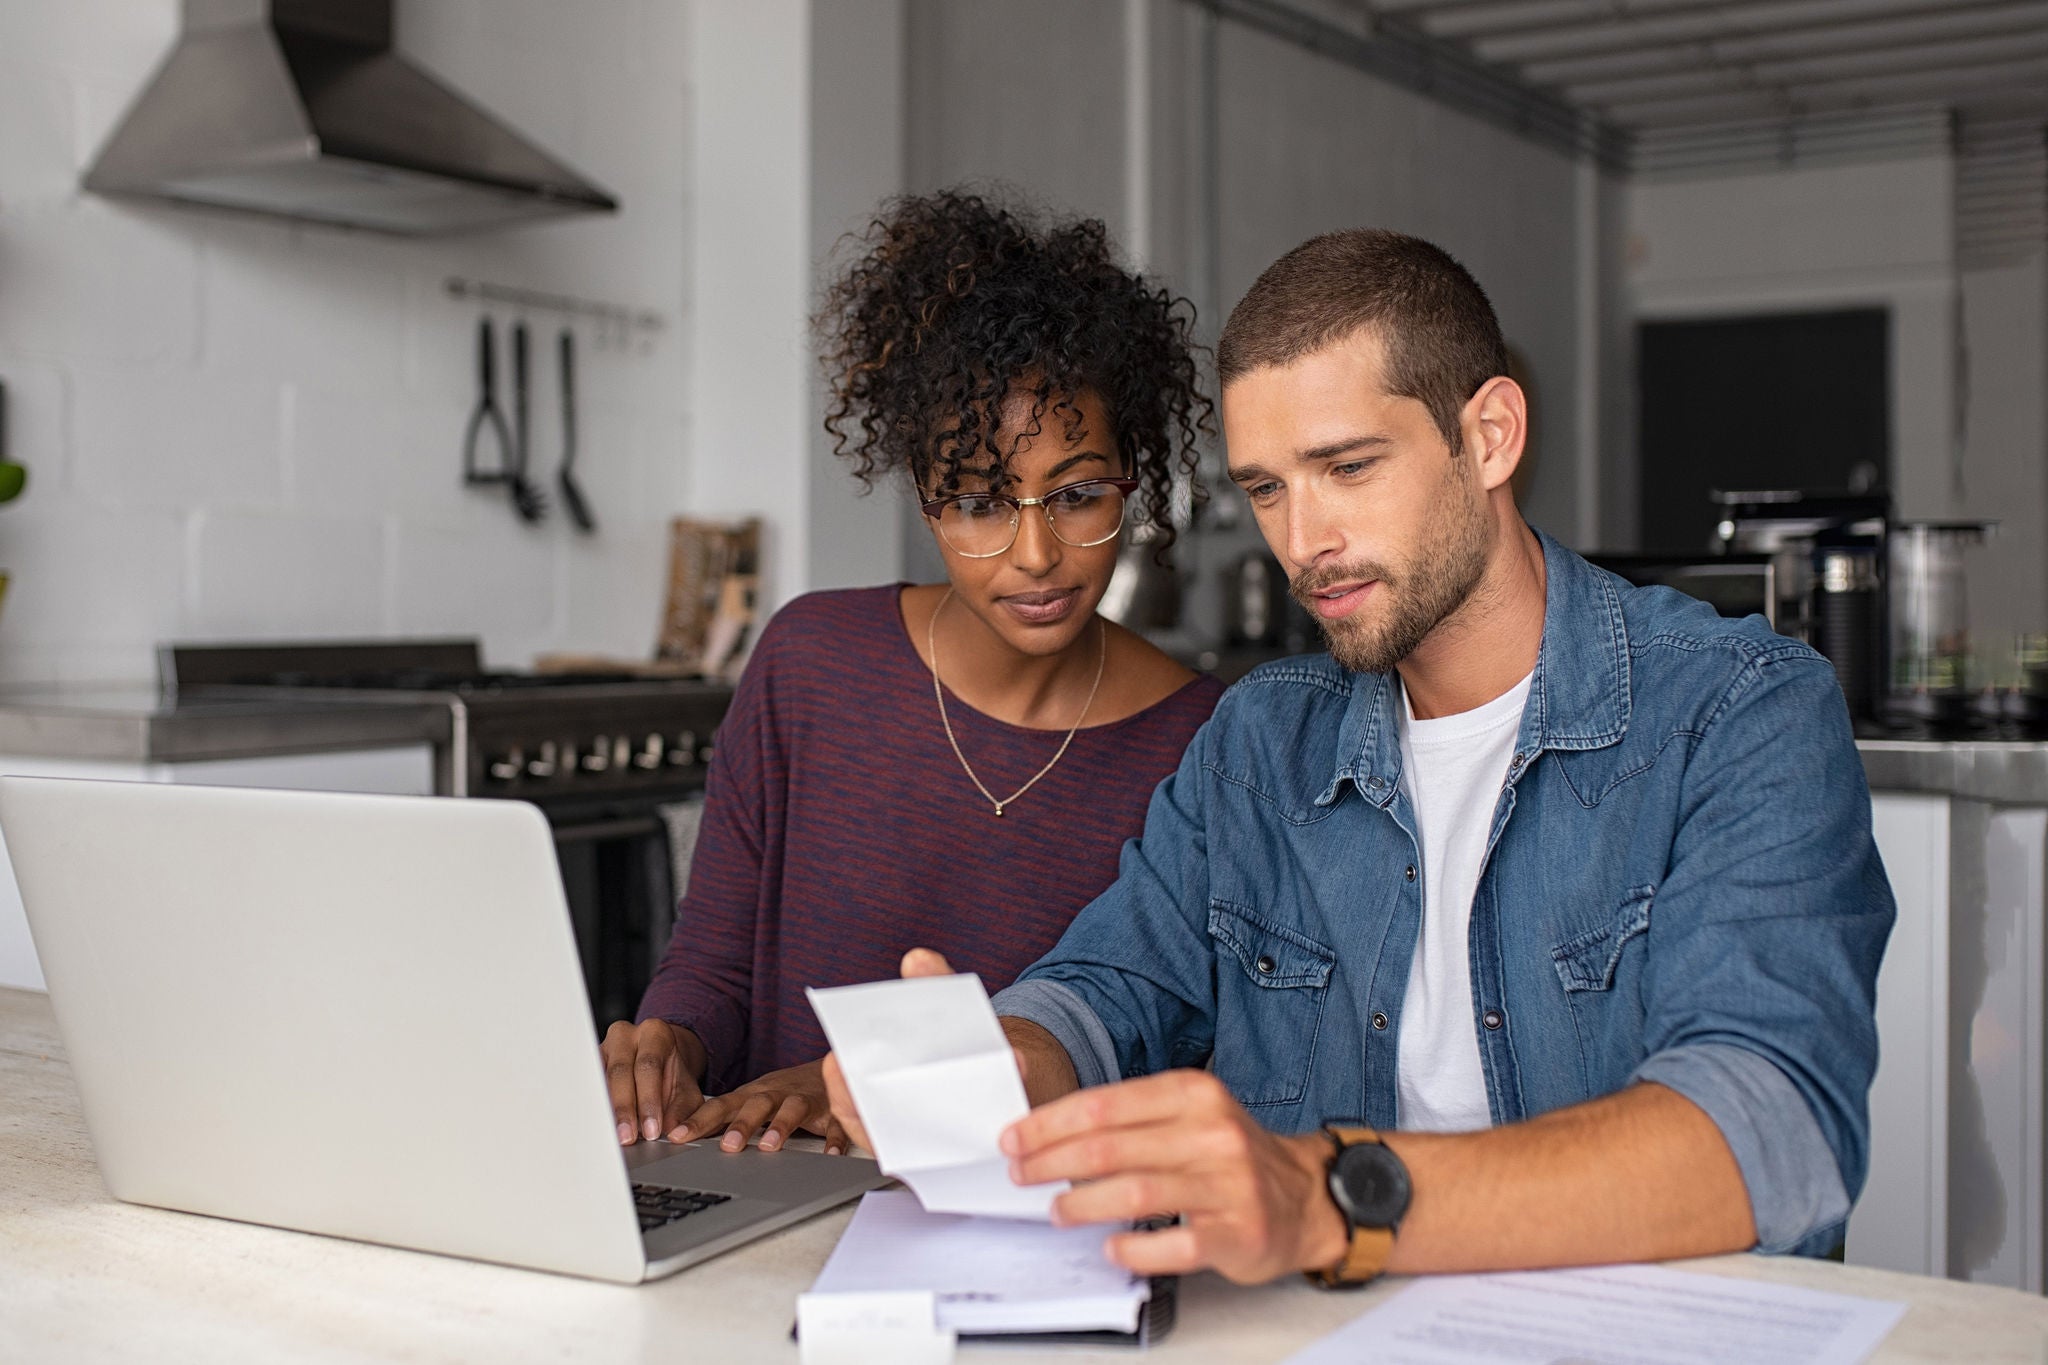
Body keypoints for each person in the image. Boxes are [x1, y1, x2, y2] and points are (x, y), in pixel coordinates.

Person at [825, 228, 1894, 1285]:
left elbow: (1772, 1131)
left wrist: (1331, 1199)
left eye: (1345, 467)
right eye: (1267, 488)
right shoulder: (1258, 742)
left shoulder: (1736, 710)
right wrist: (1002, 1061)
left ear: (1489, 437)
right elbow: (1108, 987)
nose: (1301, 540)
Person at [602, 190, 1224, 1158]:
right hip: (762, 1198)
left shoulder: (1200, 743)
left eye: (1077, 495)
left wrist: (854, 1088)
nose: (1033, 553)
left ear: (1131, 485)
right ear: (926, 504)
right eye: (977, 501)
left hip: (1020, 1235)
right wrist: (667, 1045)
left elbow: (1156, 1049)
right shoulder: (808, 663)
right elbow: (714, 966)